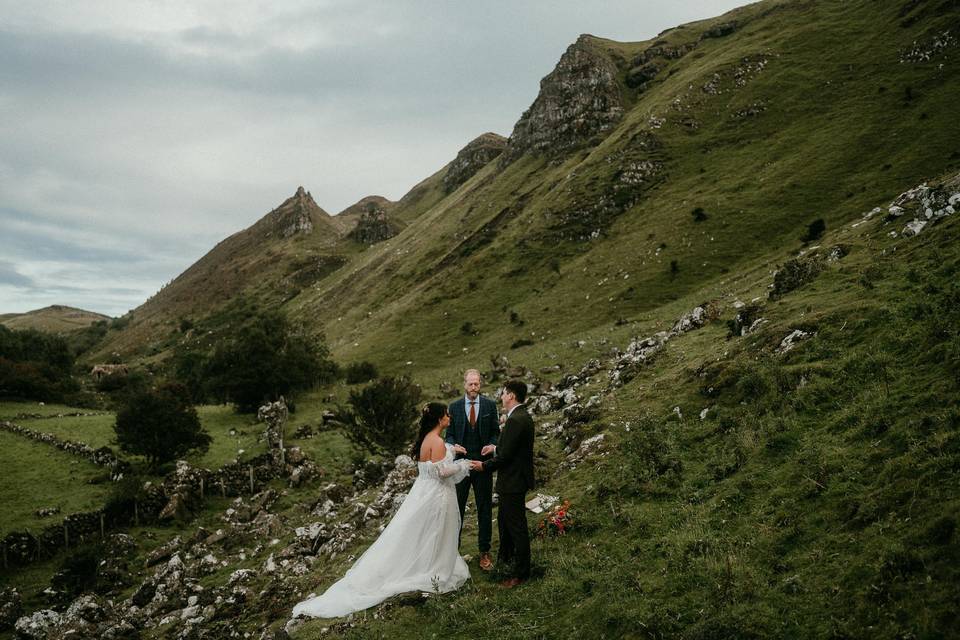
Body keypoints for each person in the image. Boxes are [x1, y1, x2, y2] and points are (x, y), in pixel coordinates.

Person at [292, 403, 472, 618]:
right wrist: (465, 464)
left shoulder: (427, 439)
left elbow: (432, 462)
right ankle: (433, 569)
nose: (449, 417)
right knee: (436, 531)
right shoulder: (438, 441)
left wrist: (452, 450)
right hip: (438, 495)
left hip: (423, 492)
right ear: (439, 419)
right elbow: (442, 471)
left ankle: (425, 563)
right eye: (446, 414)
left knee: (421, 533)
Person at [470, 380, 535, 588]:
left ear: (512, 396)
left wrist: (483, 466)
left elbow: (507, 456)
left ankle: (521, 573)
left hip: (513, 481)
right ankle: (505, 563)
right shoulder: (520, 416)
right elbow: (510, 449)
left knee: (516, 527)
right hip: (513, 479)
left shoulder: (516, 419)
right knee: (505, 524)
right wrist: (494, 448)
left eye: (504, 393)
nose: (501, 397)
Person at [446, 368, 500, 571]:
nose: (473, 387)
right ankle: (453, 554)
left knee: (484, 509)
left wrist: (492, 445)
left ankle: (484, 552)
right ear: (464, 385)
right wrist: (453, 446)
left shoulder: (489, 405)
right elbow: (449, 434)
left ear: (480, 385)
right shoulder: (455, 407)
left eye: (476, 384)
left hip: (482, 466)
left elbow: (495, 431)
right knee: (456, 510)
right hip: (460, 467)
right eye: (470, 384)